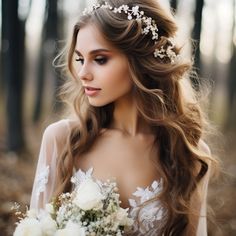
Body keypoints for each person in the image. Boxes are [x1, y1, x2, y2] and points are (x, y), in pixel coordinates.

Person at [30, 0, 216, 235]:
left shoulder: (189, 153)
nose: (83, 73)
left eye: (99, 59)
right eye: (79, 59)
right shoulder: (63, 140)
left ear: (141, 61)